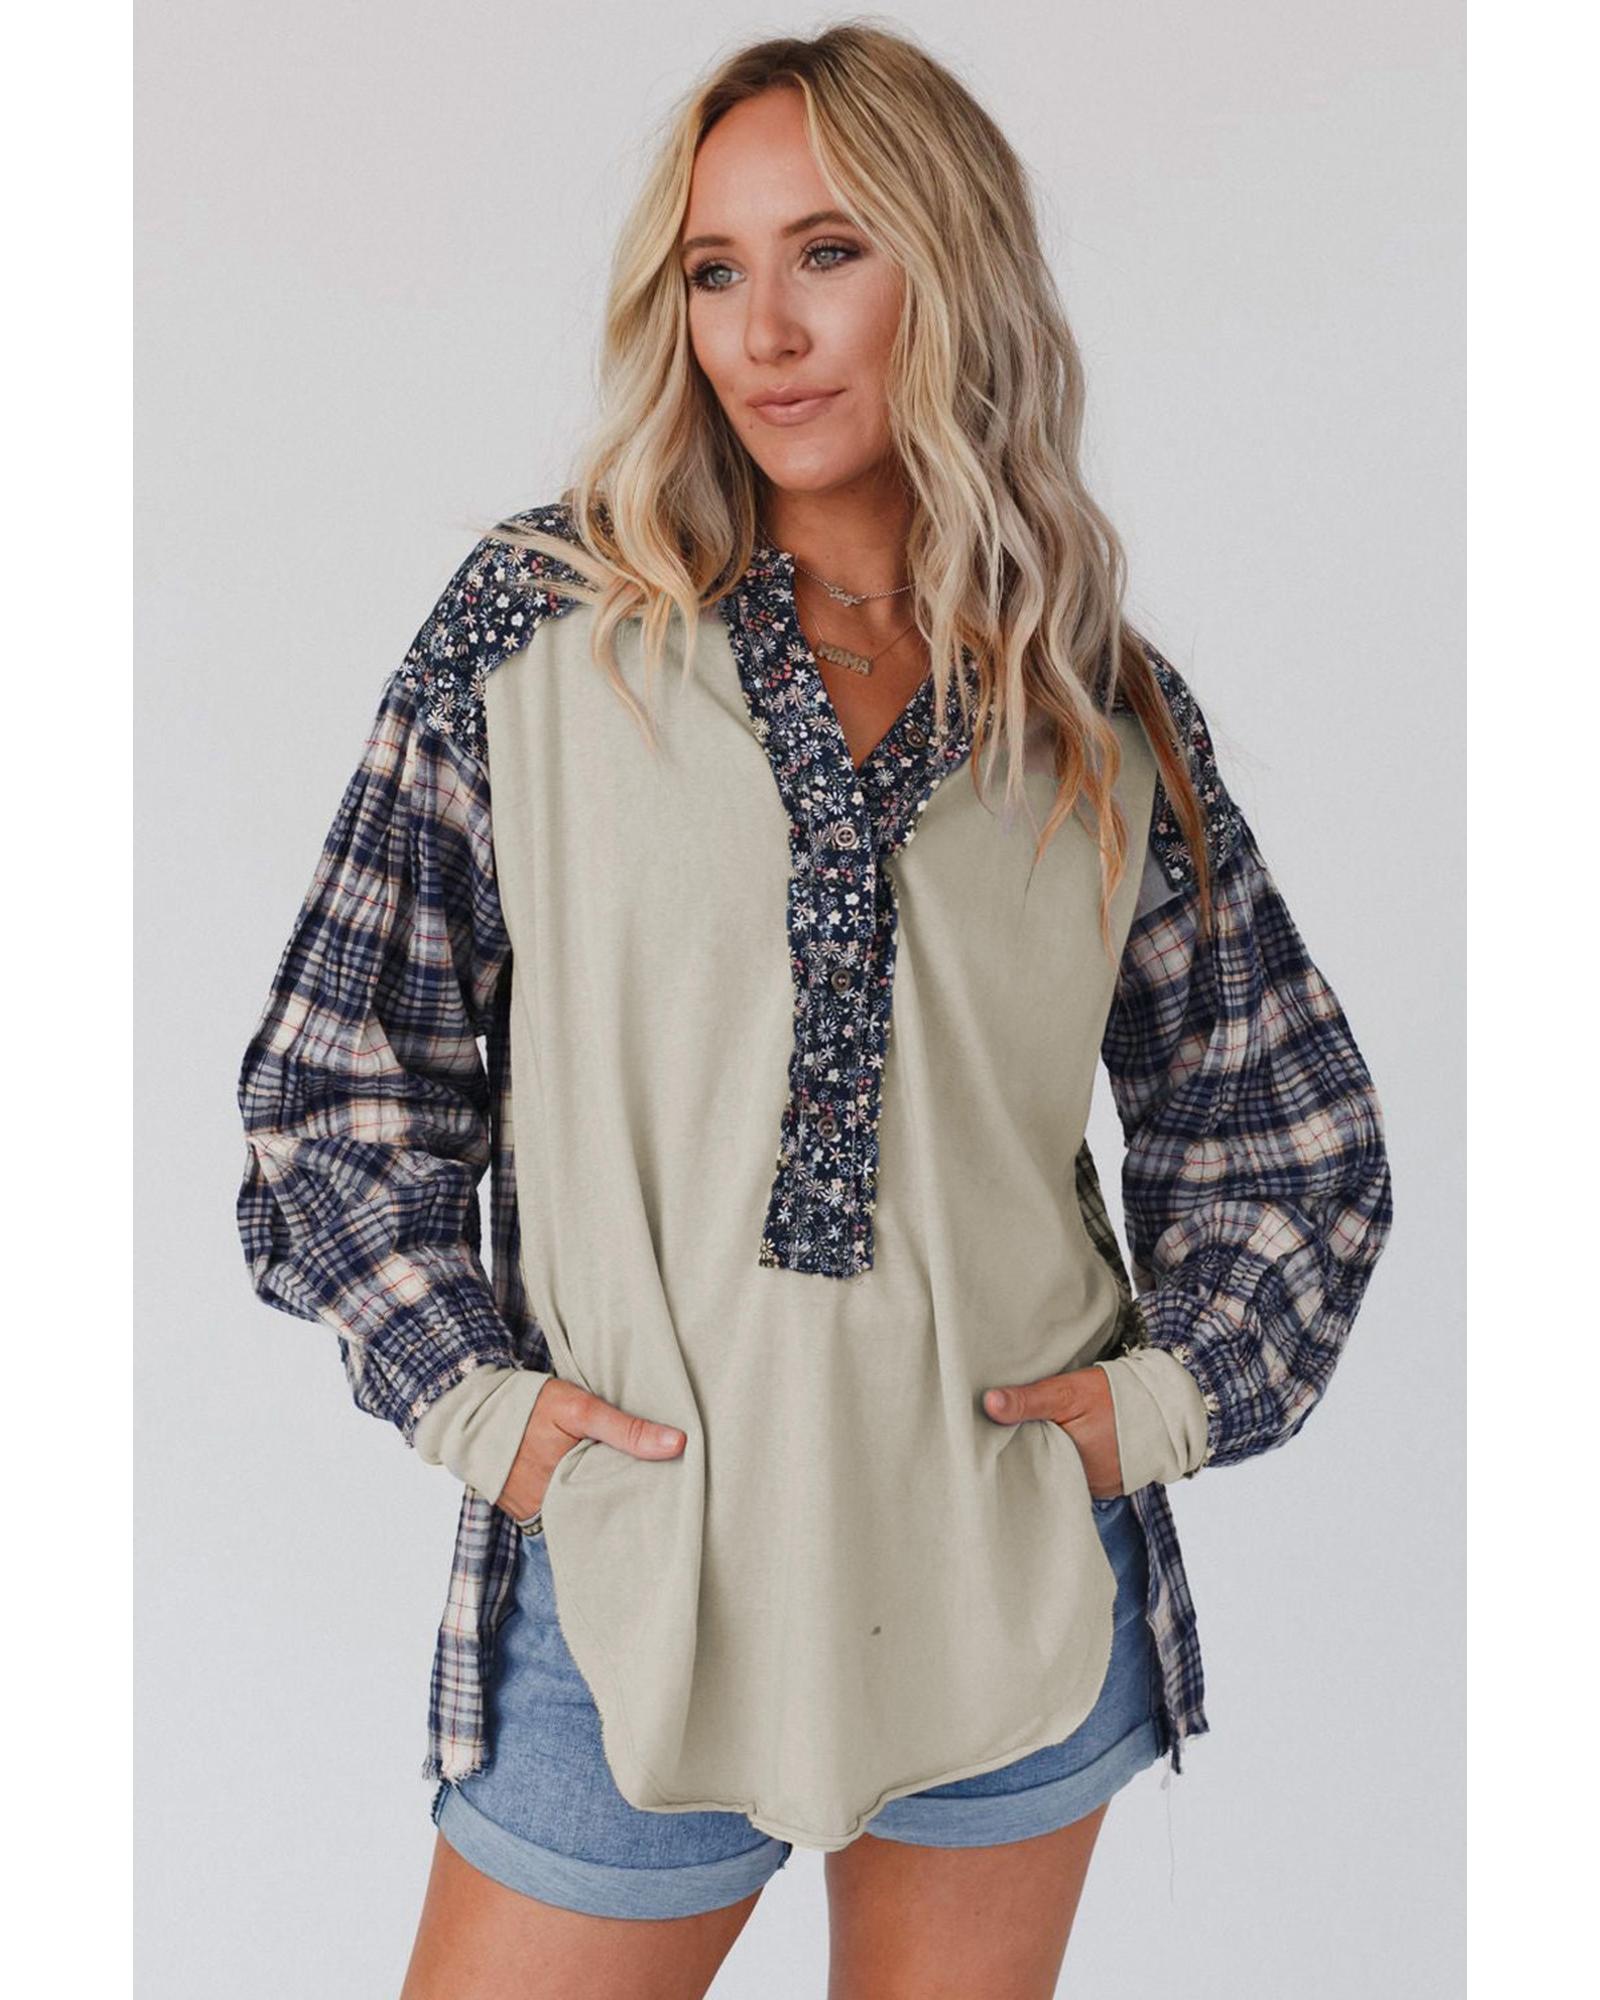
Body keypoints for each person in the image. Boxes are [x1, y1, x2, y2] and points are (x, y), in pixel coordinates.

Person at [234, 24, 1394, 2000]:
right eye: (714, 269)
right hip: (632, 1583)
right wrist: (492, 1416)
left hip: (1006, 1580)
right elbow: (333, 1093)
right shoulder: (539, 633)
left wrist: (1162, 1403)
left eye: (827, 253)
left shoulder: (1088, 701)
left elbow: (1285, 1132)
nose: (762, 330)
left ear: (952, 270)